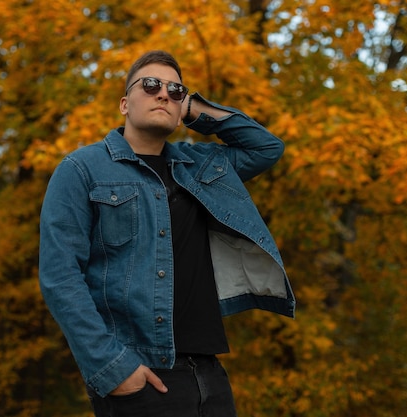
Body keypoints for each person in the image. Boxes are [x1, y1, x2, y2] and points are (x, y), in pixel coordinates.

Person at [39, 50, 295, 417]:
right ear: (125, 104)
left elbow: (267, 148)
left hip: (209, 374)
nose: (164, 93)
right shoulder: (81, 170)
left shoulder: (201, 165)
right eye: (151, 85)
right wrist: (112, 368)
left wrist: (192, 108)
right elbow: (60, 276)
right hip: (140, 375)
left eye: (175, 89)